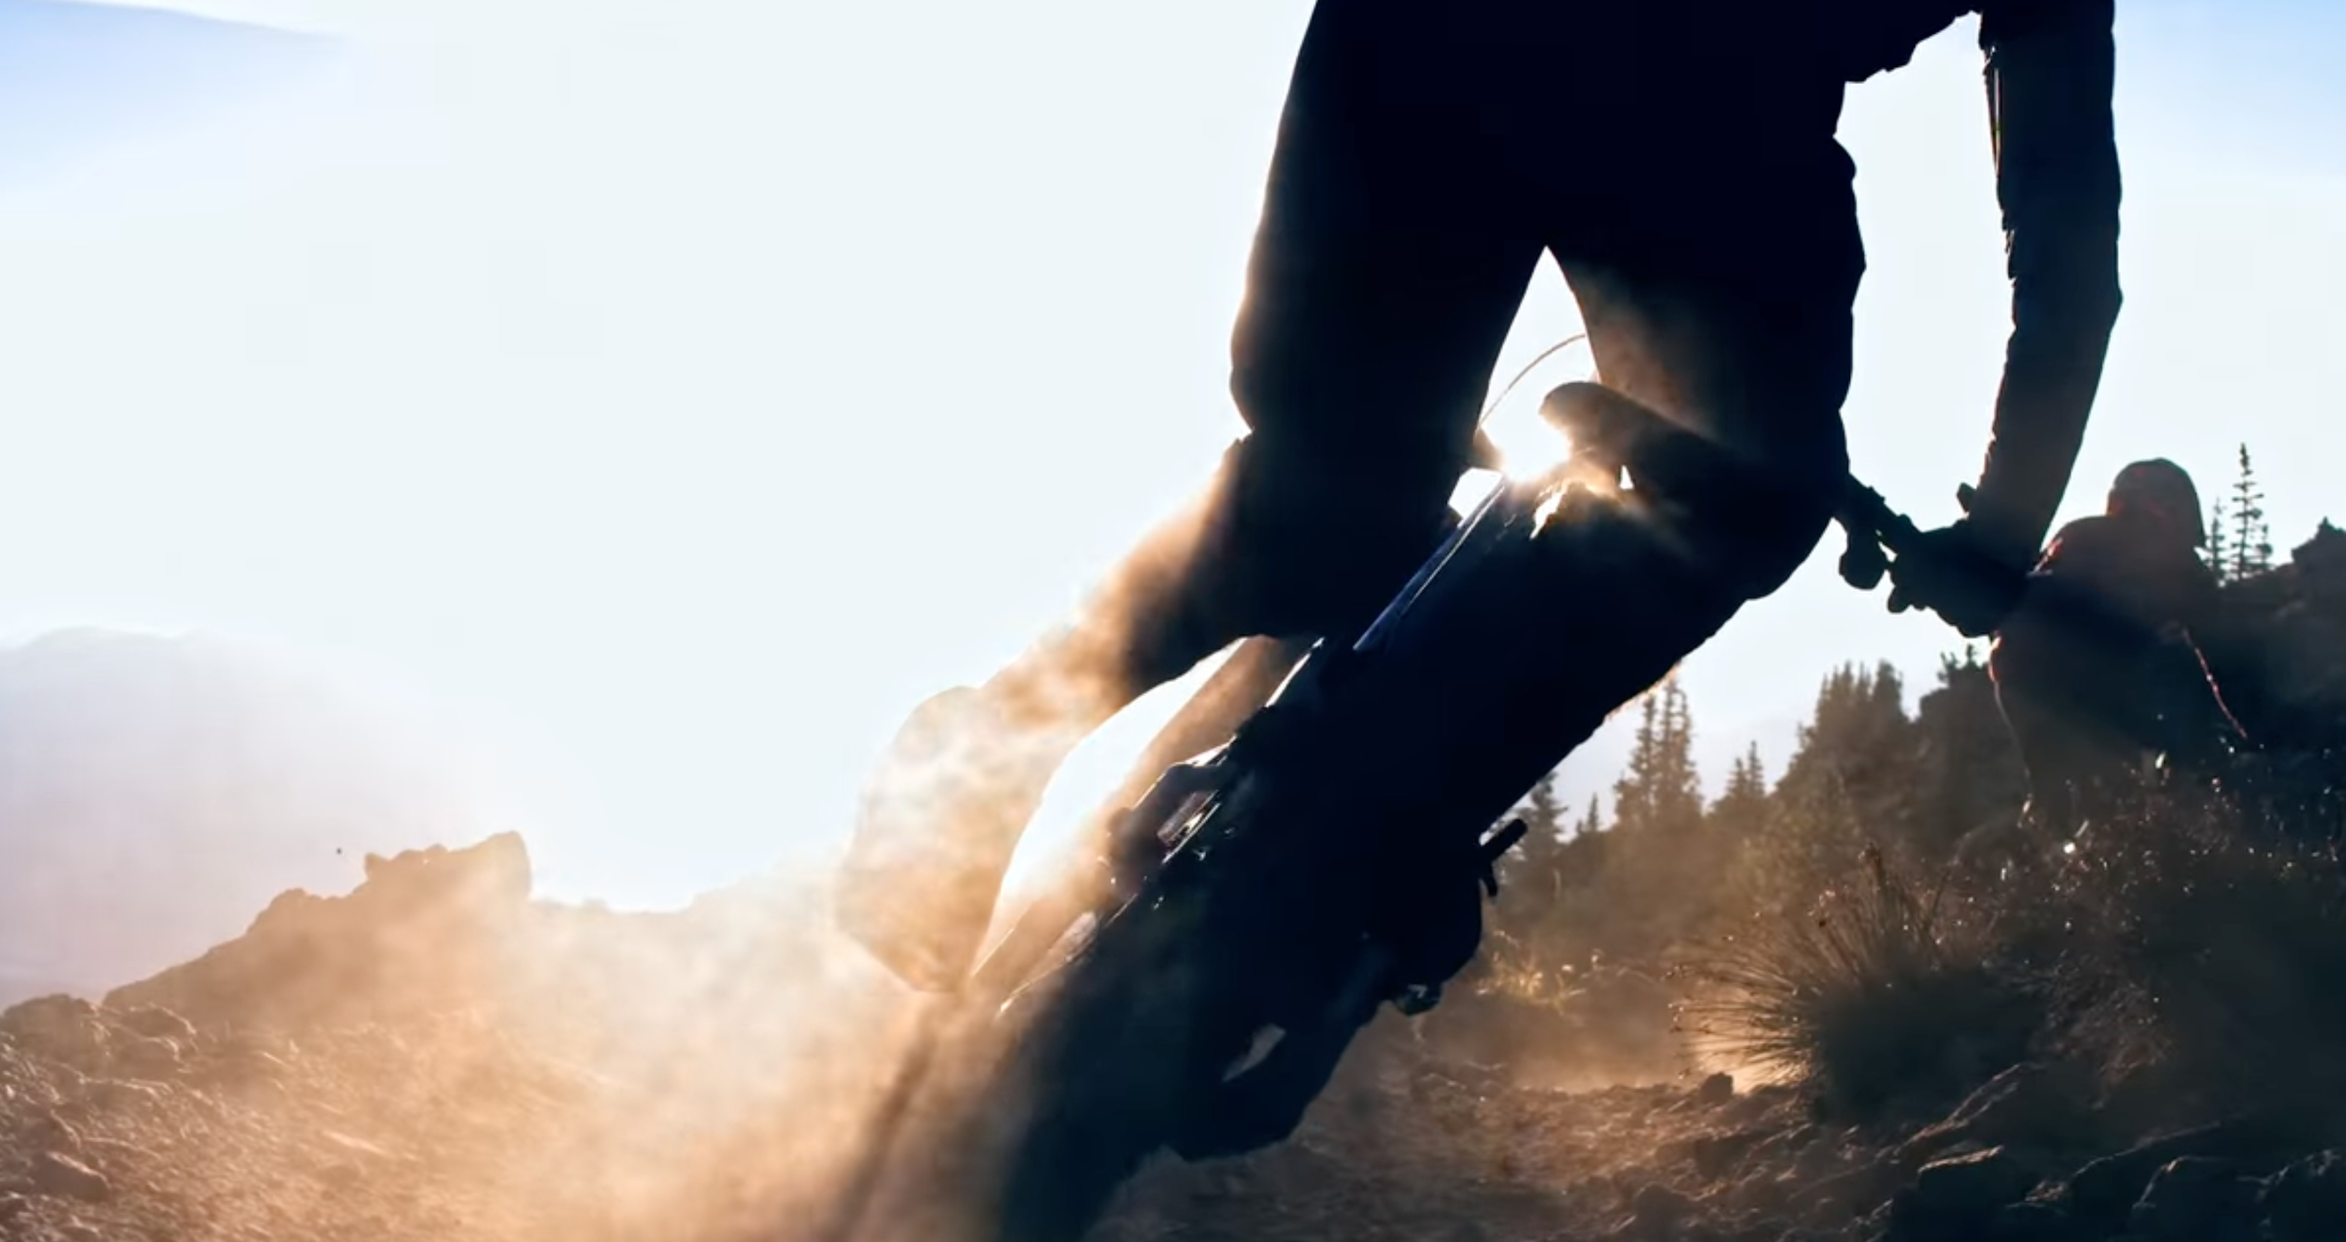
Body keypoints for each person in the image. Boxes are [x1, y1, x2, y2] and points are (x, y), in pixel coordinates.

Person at [836, 0, 2125, 992]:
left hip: (1473, 56)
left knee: (1328, 477)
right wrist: (2002, 529)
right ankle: (1391, 806)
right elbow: (2063, 232)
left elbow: (2064, 229)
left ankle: (984, 776)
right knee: (1730, 507)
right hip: (1702, 137)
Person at [1987, 457, 2269, 832]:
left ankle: (2055, 825)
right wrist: (2261, 734)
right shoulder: (2180, 569)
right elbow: (2223, 663)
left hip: (2024, 678)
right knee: (2108, 787)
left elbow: (2019, 607)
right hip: (2062, 682)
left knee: (2066, 792)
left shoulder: (2079, 537)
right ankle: (2160, 805)